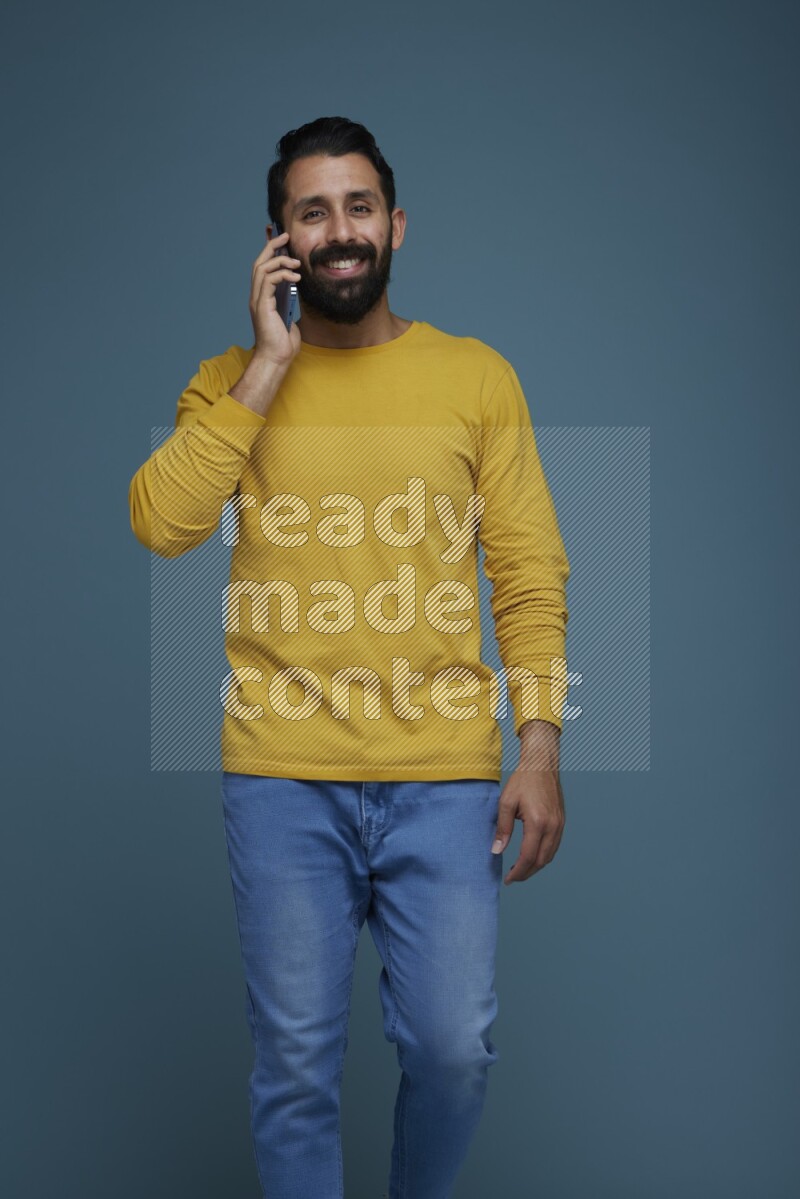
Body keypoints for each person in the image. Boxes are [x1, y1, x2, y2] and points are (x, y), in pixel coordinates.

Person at [128, 115, 570, 1199]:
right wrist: (267, 367)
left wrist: (539, 744)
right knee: (292, 1066)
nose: (339, 231)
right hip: (282, 773)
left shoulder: (475, 378)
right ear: (278, 240)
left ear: (395, 225)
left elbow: (526, 571)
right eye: (310, 211)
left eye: (357, 207)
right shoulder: (230, 380)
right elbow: (161, 519)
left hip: (444, 778)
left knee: (451, 1045)